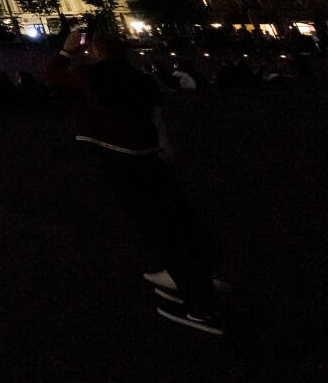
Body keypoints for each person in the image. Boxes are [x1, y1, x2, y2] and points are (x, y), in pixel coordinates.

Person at [45, 29, 226, 335]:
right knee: (179, 220)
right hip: (152, 157)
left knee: (159, 229)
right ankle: (201, 277)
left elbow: (52, 75)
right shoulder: (140, 78)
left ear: (96, 53)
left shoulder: (89, 77)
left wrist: (66, 51)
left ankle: (200, 308)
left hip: (121, 162)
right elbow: (156, 118)